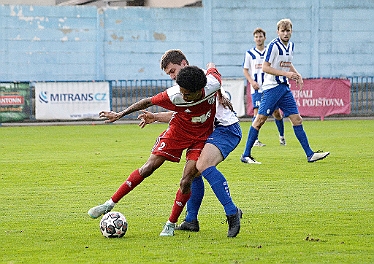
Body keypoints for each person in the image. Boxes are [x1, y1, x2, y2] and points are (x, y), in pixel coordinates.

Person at [87, 64, 241, 237]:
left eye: (187, 94)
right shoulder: (175, 95)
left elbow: (212, 68)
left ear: (200, 90)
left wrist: (219, 95)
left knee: (187, 180)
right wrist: (120, 114)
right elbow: (147, 102)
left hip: (201, 137)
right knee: (148, 168)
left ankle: (171, 224)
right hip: (178, 132)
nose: (182, 95)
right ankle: (109, 203)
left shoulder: (212, 84)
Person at [138, 49, 242, 237]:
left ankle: (232, 212)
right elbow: (184, 114)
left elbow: (211, 71)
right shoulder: (189, 85)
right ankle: (191, 220)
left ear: (184, 64)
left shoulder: (200, 82)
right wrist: (155, 116)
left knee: (202, 165)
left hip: (226, 129)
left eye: (172, 71)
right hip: (209, 131)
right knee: (192, 173)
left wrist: (219, 91)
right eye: (169, 73)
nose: (172, 76)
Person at [241, 18, 330, 164]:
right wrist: (287, 74)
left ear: (291, 32)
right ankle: (246, 154)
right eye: (283, 31)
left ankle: (310, 154)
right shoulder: (273, 46)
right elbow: (265, 67)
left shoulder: (291, 46)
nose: (286, 33)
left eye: (288, 30)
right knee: (260, 120)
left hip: (284, 88)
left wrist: (296, 74)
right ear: (278, 32)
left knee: (297, 119)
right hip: (272, 89)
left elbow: (287, 64)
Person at [242, 27, 286, 150]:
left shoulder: (269, 51)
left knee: (276, 113)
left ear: (264, 38)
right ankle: (255, 140)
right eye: (256, 36)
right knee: (257, 113)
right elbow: (245, 69)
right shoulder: (250, 53)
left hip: (270, 87)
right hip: (256, 88)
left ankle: (282, 136)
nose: (258, 38)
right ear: (254, 38)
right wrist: (251, 82)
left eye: (260, 36)